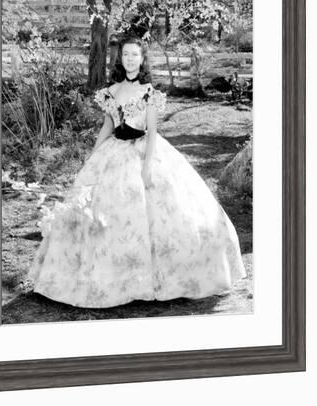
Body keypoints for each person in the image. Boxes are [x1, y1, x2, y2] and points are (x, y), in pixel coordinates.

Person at [27, 32, 247, 309]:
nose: (129, 59)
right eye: (125, 54)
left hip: (144, 151)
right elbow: (107, 126)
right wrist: (92, 158)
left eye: (135, 54)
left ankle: (167, 277)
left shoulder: (149, 92)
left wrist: (146, 168)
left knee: (166, 212)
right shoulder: (111, 91)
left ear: (142, 60)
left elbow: (153, 132)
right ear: (120, 58)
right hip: (114, 152)